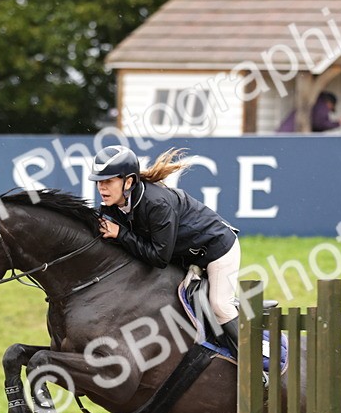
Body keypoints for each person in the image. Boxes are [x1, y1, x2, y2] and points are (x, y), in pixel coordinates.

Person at [89, 145, 243, 357]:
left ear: (129, 182)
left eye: (108, 181)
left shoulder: (156, 203)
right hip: (186, 256)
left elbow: (159, 257)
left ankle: (255, 362)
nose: (102, 188)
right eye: (99, 182)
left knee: (219, 305)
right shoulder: (115, 204)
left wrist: (120, 234)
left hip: (217, 250)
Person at [276, 91, 341, 132]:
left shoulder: (314, 103)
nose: (328, 111)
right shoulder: (321, 107)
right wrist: (338, 123)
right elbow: (320, 123)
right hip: (291, 134)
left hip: (284, 132)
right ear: (329, 103)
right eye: (330, 108)